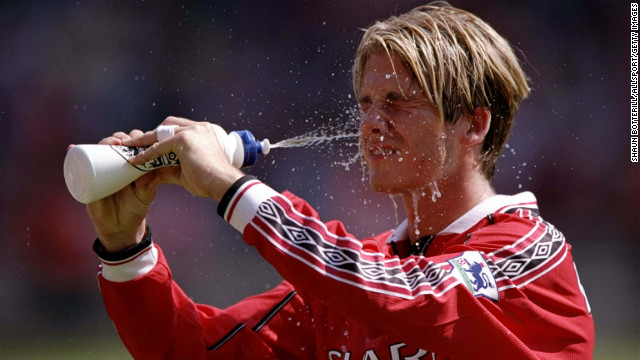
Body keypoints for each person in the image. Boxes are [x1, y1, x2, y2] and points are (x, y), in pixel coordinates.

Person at [84, 3, 594, 359]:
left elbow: (397, 292)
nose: (372, 121)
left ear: (473, 124)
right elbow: (198, 350)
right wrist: (126, 251)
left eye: (399, 101)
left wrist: (226, 183)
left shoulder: (529, 257)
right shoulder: (342, 284)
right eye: (367, 103)